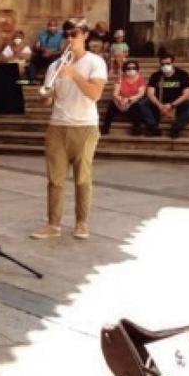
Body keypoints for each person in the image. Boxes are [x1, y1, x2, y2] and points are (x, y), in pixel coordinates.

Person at [30, 18, 107, 241]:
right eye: (67, 34)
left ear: (85, 35)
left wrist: (74, 74)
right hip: (57, 126)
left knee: (82, 178)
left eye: (74, 34)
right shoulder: (55, 65)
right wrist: (45, 95)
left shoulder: (95, 62)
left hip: (85, 126)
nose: (69, 38)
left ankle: (81, 223)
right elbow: (50, 98)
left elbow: (95, 94)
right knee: (55, 180)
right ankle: (53, 225)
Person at [141, 53, 189, 139]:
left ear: (173, 63)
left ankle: (175, 128)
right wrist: (160, 106)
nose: (165, 66)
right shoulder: (156, 76)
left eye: (168, 63)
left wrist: (172, 105)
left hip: (176, 104)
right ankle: (153, 128)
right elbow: (150, 94)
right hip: (159, 103)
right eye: (163, 64)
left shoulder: (182, 74)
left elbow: (186, 94)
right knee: (143, 103)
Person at [100, 60, 147, 135]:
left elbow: (141, 93)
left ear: (137, 69)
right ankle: (105, 127)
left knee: (137, 106)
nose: (131, 70)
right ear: (124, 70)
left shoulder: (140, 79)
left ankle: (137, 128)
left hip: (133, 101)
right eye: (128, 68)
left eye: (133, 68)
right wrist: (121, 100)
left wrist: (129, 100)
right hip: (121, 101)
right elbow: (115, 93)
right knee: (112, 104)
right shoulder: (120, 79)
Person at [30, 18, 64, 83]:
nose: (52, 27)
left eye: (54, 26)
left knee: (54, 60)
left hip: (54, 55)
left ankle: (49, 81)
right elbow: (36, 46)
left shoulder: (60, 36)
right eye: (50, 25)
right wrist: (43, 50)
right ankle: (32, 80)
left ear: (57, 27)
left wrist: (51, 52)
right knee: (33, 60)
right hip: (43, 53)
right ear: (47, 27)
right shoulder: (42, 34)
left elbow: (61, 50)